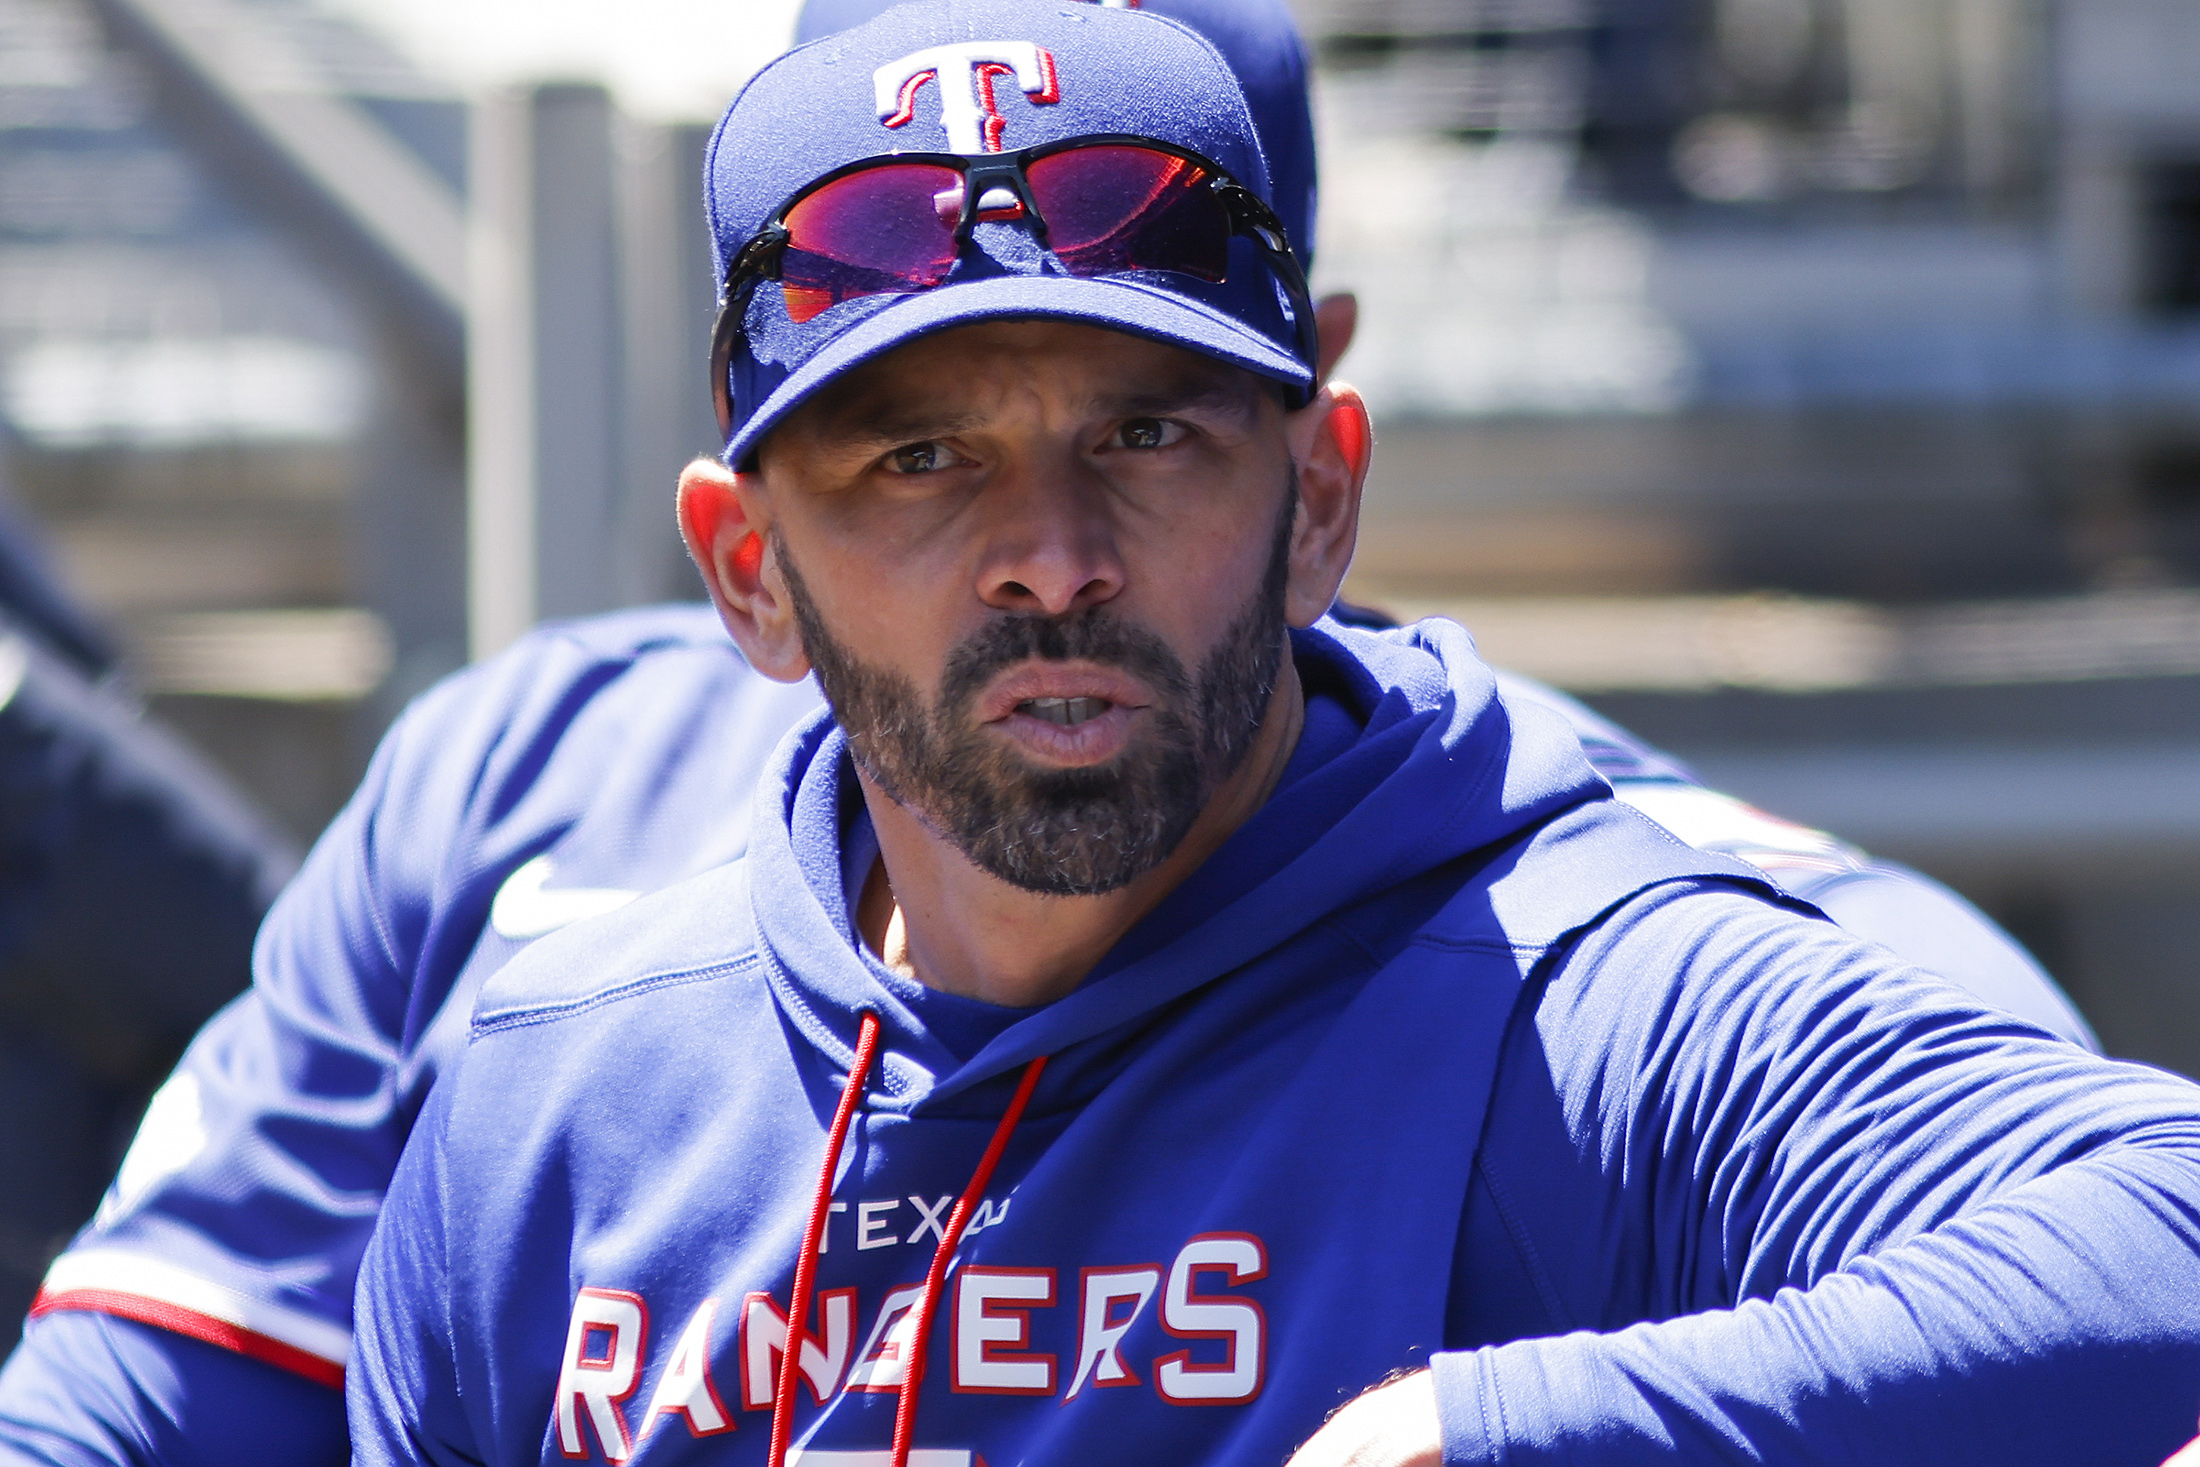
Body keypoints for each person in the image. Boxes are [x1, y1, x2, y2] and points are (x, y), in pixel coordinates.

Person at [0, 1, 2103, 1464]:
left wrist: (1492, 1433)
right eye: (914, 456)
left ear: (1319, 483)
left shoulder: (1577, 971)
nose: (1048, 554)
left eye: (1144, 429)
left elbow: (2132, 1247)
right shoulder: (548, 1035)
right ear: (745, 567)